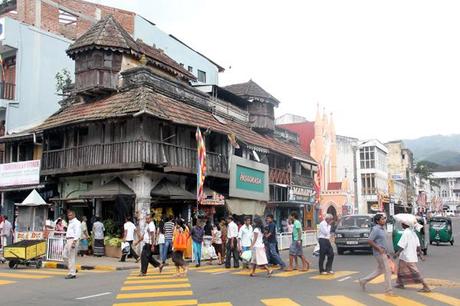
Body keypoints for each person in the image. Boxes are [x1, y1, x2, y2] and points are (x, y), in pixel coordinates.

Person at [358, 214, 395, 296]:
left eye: (384, 218)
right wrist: (379, 248)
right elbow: (370, 241)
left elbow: (384, 241)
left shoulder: (383, 228)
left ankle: (363, 281)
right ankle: (388, 290)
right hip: (379, 253)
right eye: (382, 219)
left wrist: (388, 253)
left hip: (385, 252)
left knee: (380, 270)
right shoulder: (376, 229)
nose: (384, 220)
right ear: (378, 221)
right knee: (387, 271)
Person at [393, 221, 431, 292]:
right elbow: (418, 244)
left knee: (415, 272)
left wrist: (397, 253)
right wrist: (420, 254)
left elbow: (402, 245)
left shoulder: (406, 233)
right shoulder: (413, 232)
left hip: (407, 256)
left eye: (402, 223)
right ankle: (400, 283)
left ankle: (425, 286)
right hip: (407, 255)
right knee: (401, 269)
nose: (401, 224)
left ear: (405, 225)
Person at [63, 210, 81, 279]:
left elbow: (78, 232)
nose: (69, 216)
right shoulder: (70, 223)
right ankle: (73, 268)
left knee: (71, 257)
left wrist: (74, 242)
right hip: (68, 240)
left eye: (70, 215)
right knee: (64, 255)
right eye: (68, 215)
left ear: (74, 215)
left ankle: (72, 273)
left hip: (73, 240)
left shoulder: (77, 222)